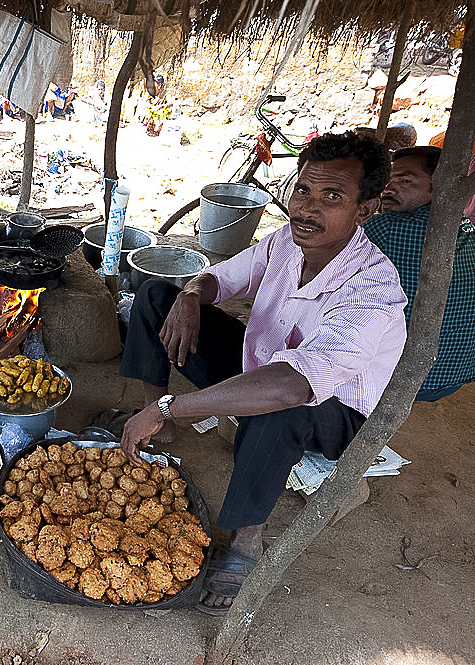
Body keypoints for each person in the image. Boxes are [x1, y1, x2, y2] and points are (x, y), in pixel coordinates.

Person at [119, 132, 406, 614]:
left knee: (281, 408)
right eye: (303, 191)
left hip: (333, 412)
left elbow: (295, 384)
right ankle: (161, 428)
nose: (308, 209)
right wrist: (189, 294)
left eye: (332, 197)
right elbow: (221, 277)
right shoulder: (285, 243)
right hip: (263, 366)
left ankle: (248, 536)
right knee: (155, 297)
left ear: (366, 210)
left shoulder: (373, 291)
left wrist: (174, 404)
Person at [362, 146, 475, 401]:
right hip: (453, 377)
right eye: (388, 179)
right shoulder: (467, 230)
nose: (388, 188)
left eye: (404, 180)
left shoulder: (388, 229)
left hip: (402, 379)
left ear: (440, 185)